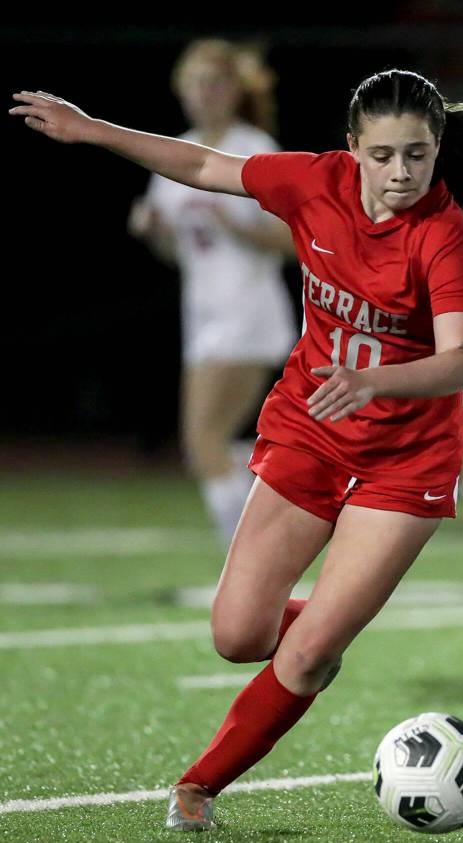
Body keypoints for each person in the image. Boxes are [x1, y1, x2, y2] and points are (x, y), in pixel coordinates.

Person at [11, 68, 463, 831]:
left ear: (436, 149)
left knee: (308, 652)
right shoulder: (313, 182)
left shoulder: (441, 232)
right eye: (383, 155)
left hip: (404, 459)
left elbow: (456, 363)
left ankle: (199, 784)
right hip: (310, 429)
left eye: (417, 154)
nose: (402, 172)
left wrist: (375, 378)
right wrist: (93, 129)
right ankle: (321, 632)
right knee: (236, 634)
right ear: (352, 149)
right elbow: (202, 167)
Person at [129, 39, 297, 546]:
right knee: (213, 445)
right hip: (202, 315)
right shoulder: (173, 152)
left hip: (248, 312)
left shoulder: (256, 149)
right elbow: (179, 253)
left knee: (202, 443)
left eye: (217, 82)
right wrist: (155, 231)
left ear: (235, 90)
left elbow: (296, 240)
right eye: (197, 82)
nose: (207, 93)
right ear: (181, 90)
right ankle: (278, 515)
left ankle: (247, 561)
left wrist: (236, 225)